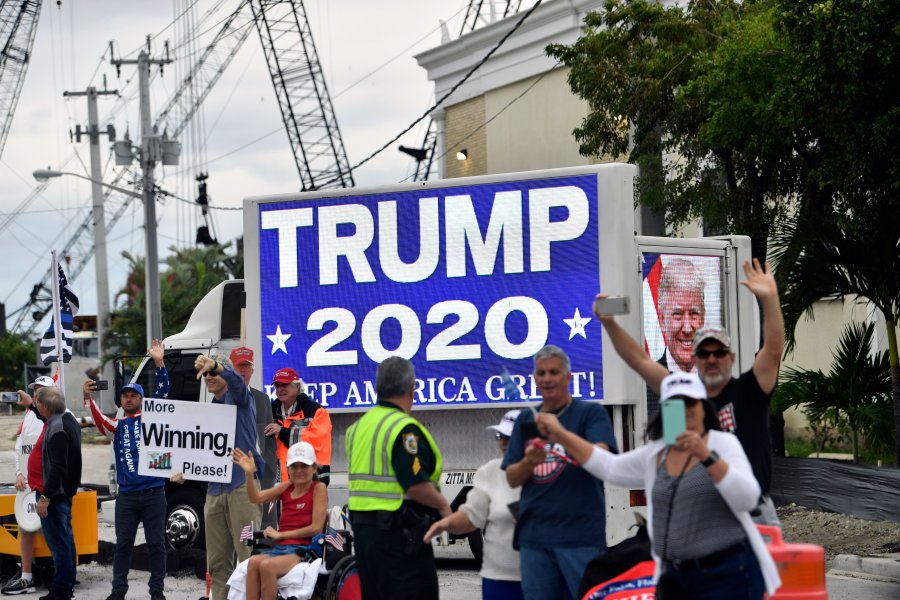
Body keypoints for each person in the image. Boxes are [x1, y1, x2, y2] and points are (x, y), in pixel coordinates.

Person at [536, 373, 781, 599]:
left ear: (704, 409)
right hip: (675, 576)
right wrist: (560, 435)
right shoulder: (657, 453)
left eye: (690, 403)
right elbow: (609, 467)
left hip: (726, 572)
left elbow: (748, 498)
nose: (684, 411)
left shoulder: (723, 444)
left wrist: (706, 456)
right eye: (675, 405)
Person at [596, 258, 784, 524]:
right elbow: (639, 361)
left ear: (731, 358)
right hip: (699, 513)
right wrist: (610, 324)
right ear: (695, 359)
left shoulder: (749, 390)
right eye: (704, 353)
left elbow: (774, 350)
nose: (711, 359)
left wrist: (770, 299)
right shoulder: (679, 395)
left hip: (750, 512)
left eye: (718, 352)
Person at [501, 345, 617, 600]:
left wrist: (560, 435)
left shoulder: (590, 413)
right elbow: (511, 478)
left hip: (581, 536)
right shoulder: (525, 420)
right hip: (535, 537)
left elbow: (602, 458)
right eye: (541, 373)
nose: (547, 379)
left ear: (568, 377)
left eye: (554, 372)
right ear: (534, 378)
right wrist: (529, 462)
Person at [346, 356, 451, 600]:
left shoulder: (358, 427)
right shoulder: (403, 429)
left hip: (364, 536)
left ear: (376, 388)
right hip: (398, 537)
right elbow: (415, 485)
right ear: (412, 388)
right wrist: (444, 506)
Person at [84, 339, 170, 600]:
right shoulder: (117, 426)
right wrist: (88, 398)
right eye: (126, 395)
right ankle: (118, 592)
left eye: (134, 395)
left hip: (155, 492)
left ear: (142, 399)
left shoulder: (153, 418)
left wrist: (159, 363)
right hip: (128, 496)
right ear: (121, 399)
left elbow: (164, 395)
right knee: (123, 546)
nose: (129, 398)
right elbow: (100, 421)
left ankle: (157, 593)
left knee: (157, 545)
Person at [424, 410, 524, 600]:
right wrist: (445, 524)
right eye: (499, 436)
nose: (502, 442)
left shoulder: (547, 474)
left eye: (510, 437)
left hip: (537, 575)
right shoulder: (490, 472)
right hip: (497, 577)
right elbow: (471, 516)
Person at [194, 354, 265, 600]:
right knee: (216, 564)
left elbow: (236, 382)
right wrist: (184, 468)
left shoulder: (241, 399)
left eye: (213, 373)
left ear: (223, 372)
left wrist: (217, 366)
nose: (209, 378)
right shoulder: (208, 411)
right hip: (214, 492)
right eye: (205, 374)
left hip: (242, 491)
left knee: (248, 558)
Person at [232, 442, 327, 600]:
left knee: (267, 566)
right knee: (254, 562)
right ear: (288, 469)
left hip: (304, 549)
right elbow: (255, 497)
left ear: (314, 468)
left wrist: (280, 535)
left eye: (304, 466)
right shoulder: (286, 487)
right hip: (282, 548)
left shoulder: (319, 488)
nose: (298, 470)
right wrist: (249, 474)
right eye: (294, 466)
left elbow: (316, 528)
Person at [1, 377, 52, 596]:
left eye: (41, 390)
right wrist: (19, 473)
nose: (37, 393)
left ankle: (59, 576)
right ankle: (27, 577)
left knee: (56, 529)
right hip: (29, 484)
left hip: (49, 483)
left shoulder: (54, 413)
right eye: (35, 390)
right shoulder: (29, 415)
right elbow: (19, 445)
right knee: (26, 527)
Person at [34, 386, 82, 600]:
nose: (36, 404)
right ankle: (66, 586)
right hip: (65, 493)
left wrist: (45, 497)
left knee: (59, 544)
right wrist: (28, 403)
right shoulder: (66, 419)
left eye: (37, 402)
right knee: (66, 542)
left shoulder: (56, 429)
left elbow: (58, 468)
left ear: (45, 406)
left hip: (56, 495)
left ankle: (61, 590)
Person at [230, 346, 279, 529]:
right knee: (241, 532)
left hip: (260, 476)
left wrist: (269, 472)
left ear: (253, 369)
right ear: (230, 370)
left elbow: (269, 442)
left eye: (246, 365)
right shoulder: (223, 399)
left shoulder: (262, 399)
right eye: (238, 366)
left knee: (265, 528)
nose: (242, 369)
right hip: (235, 477)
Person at [265, 368, 331, 487]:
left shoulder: (316, 411)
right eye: (277, 386)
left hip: (309, 482)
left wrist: (283, 432)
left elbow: (317, 442)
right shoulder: (269, 411)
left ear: (297, 387)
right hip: (277, 484)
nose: (280, 390)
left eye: (284, 385)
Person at [656, 258, 706, 373]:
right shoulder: (645, 385)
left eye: (694, 314)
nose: (687, 328)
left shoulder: (721, 381)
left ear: (703, 319)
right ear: (663, 321)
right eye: (678, 315)